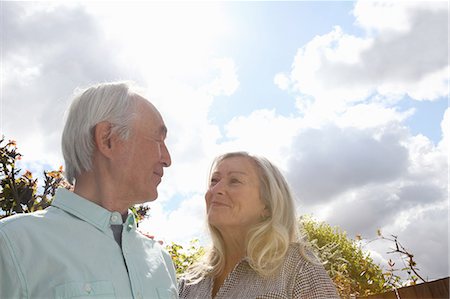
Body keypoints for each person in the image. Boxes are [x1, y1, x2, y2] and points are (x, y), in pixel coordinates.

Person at [0, 82, 178, 298]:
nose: (167, 159)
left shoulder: (162, 261)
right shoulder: (12, 244)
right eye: (158, 140)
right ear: (107, 139)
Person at [179, 152, 339, 299]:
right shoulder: (191, 281)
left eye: (234, 181)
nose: (216, 189)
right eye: (214, 181)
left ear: (267, 206)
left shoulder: (297, 267)